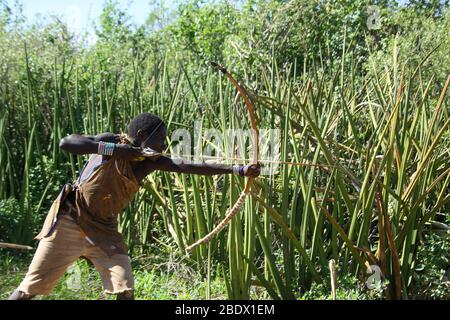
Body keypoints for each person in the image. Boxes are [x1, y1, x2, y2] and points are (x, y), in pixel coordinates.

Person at [8, 112, 260, 300]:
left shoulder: (149, 162)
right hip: (69, 220)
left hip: (104, 231)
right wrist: (117, 150)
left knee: (125, 288)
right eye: (160, 141)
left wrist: (237, 169)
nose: (162, 147)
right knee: (29, 289)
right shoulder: (111, 143)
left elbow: (186, 165)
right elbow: (67, 143)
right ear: (141, 137)